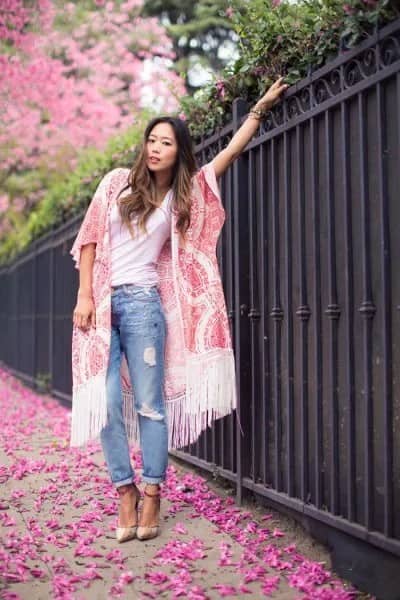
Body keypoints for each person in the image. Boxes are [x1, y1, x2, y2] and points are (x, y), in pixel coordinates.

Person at [70, 77, 288, 543]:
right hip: (103, 305)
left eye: (165, 143)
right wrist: (84, 294)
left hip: (146, 307)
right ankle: (122, 489)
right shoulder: (114, 185)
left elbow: (225, 157)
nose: (154, 148)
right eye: (151, 140)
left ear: (178, 152)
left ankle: (151, 491)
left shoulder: (181, 199)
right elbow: (88, 239)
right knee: (106, 405)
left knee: (151, 407)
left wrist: (259, 110)